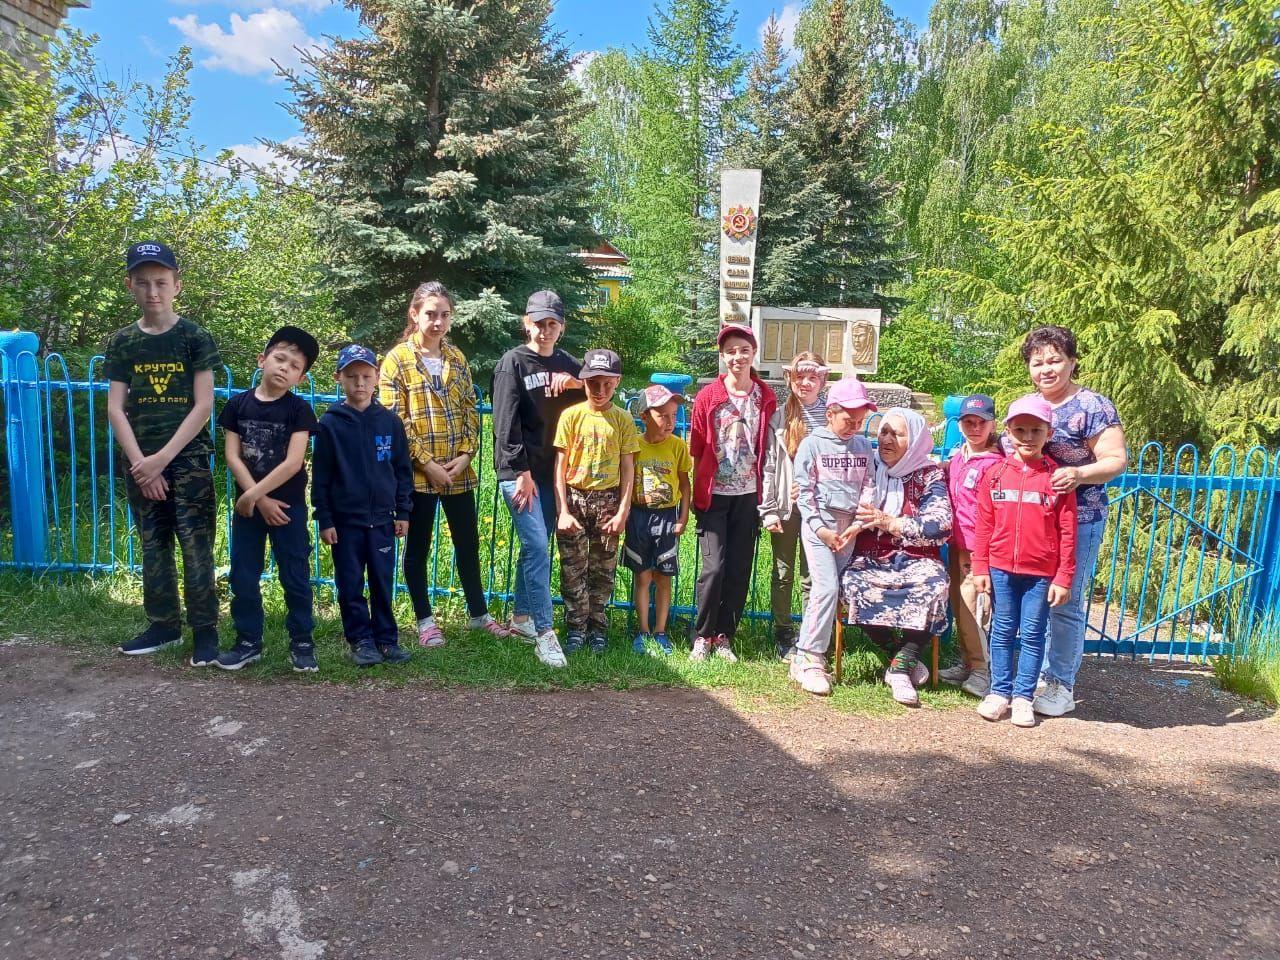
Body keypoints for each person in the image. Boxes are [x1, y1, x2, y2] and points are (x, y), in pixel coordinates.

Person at [106, 241, 222, 666]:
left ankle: (205, 630)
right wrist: (142, 465)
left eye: (160, 282)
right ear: (130, 286)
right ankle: (163, 624)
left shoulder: (194, 337)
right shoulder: (122, 342)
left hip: (187, 461)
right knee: (153, 544)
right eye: (143, 282)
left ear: (177, 285)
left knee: (195, 545)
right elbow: (115, 408)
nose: (152, 291)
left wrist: (163, 460)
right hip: (140, 463)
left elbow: (204, 405)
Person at [379, 281, 509, 647]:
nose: (437, 322)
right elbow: (395, 419)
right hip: (418, 474)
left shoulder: (456, 358)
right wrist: (426, 463)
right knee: (417, 546)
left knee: (467, 543)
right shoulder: (397, 361)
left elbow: (470, 407)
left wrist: (466, 454)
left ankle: (479, 615)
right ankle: (424, 621)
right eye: (430, 314)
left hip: (458, 471)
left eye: (444, 315)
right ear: (415, 314)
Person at [1020, 325, 1127, 717]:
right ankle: (1028, 675)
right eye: (1038, 362)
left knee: (1065, 600)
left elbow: (1116, 460)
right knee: (1029, 596)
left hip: (1080, 519)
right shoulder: (1027, 405)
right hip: (1032, 519)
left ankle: (1060, 683)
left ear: (1072, 362)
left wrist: (1079, 474)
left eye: (1054, 360)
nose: (1046, 369)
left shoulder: (1094, 407)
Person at [216, 326, 320, 672]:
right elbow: (232, 456)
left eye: (294, 367)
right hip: (249, 509)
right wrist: (256, 500)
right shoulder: (237, 405)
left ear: (301, 378)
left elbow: (294, 462)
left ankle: (302, 642)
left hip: (288, 509)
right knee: (243, 575)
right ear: (262, 359)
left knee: (295, 575)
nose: (284, 368)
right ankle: (247, 641)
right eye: (279, 358)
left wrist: (255, 495)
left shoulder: (300, 411)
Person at [490, 290, 585, 669]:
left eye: (552, 324)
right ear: (525, 322)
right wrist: (522, 474)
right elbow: (504, 426)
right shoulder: (511, 363)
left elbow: (605, 388)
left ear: (560, 328)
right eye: (538, 323)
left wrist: (576, 384)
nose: (544, 331)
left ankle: (522, 619)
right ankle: (545, 635)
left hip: (551, 475)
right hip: (519, 473)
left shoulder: (568, 364)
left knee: (536, 547)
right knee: (537, 546)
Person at [971, 395, 1078, 727]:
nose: (1027, 437)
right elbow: (984, 524)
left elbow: (1068, 531)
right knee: (1001, 630)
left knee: (1032, 633)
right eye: (1020, 430)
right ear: (1008, 431)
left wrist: (1063, 577)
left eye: (1035, 430)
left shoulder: (1057, 479)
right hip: (1001, 569)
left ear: (1048, 433)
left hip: (1040, 573)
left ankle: (1022, 697)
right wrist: (980, 566)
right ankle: (999, 692)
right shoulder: (995, 474)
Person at [312, 345, 414, 667]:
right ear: (338, 378)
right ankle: (361, 640)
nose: (359, 383)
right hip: (345, 524)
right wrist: (325, 519)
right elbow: (322, 476)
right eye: (352, 376)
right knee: (350, 583)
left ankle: (387, 639)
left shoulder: (390, 423)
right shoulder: (330, 424)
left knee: (383, 582)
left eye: (366, 376)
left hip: (383, 521)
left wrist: (404, 511)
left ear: (376, 379)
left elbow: (402, 470)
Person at [843, 408, 954, 706]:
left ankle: (901, 665)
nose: (887, 439)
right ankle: (902, 658)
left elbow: (940, 526)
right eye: (883, 431)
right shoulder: (866, 467)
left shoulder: (929, 474)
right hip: (870, 557)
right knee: (855, 586)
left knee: (933, 585)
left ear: (915, 439)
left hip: (918, 558)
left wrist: (890, 522)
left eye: (897, 433)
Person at [688, 323, 779, 662]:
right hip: (715, 495)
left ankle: (724, 635)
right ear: (723, 356)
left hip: (749, 495)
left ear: (753, 351)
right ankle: (702, 635)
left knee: (739, 568)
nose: (737, 356)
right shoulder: (708, 397)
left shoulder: (765, 396)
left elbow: (771, 447)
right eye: (731, 351)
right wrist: (697, 492)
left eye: (744, 349)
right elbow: (697, 448)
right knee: (713, 568)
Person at [788, 378, 878, 696]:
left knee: (833, 591)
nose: (854, 425)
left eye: (859, 420)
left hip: (848, 528)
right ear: (831, 413)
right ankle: (813, 658)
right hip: (819, 527)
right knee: (826, 587)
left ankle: (801, 654)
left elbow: (870, 484)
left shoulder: (864, 446)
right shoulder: (813, 444)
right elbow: (805, 490)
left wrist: (857, 523)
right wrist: (821, 529)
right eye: (848, 419)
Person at [553, 349, 639, 654]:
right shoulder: (571, 416)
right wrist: (562, 510)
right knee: (572, 568)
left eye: (606, 384)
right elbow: (561, 466)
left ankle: (598, 628)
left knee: (603, 569)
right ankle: (576, 627)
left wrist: (623, 511)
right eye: (593, 384)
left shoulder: (622, 419)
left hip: (608, 502)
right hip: (575, 499)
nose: (600, 391)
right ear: (584, 381)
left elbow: (628, 467)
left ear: (617, 382)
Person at [760, 352, 829, 660]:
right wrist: (770, 508)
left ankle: (811, 633)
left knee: (813, 573)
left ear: (822, 380)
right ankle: (783, 632)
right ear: (790, 378)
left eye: (812, 377)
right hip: (789, 507)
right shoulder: (782, 416)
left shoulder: (831, 415)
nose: (805, 383)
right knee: (783, 571)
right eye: (800, 376)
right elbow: (770, 466)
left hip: (823, 509)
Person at [938, 394, 1004, 696]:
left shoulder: (996, 464)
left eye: (981, 422)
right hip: (956, 540)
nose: (975, 428)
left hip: (978, 546)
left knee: (973, 606)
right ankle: (967, 662)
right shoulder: (960, 456)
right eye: (968, 422)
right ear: (960, 424)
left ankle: (981, 670)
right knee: (959, 602)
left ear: (992, 424)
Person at [624, 384, 692, 656]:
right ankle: (642, 631)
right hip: (638, 516)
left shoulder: (677, 446)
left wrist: (683, 517)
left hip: (667, 516)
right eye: (662, 415)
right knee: (642, 576)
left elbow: (685, 484)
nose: (669, 421)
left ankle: (661, 632)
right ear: (644, 416)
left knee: (664, 577)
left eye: (674, 415)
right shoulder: (634, 445)